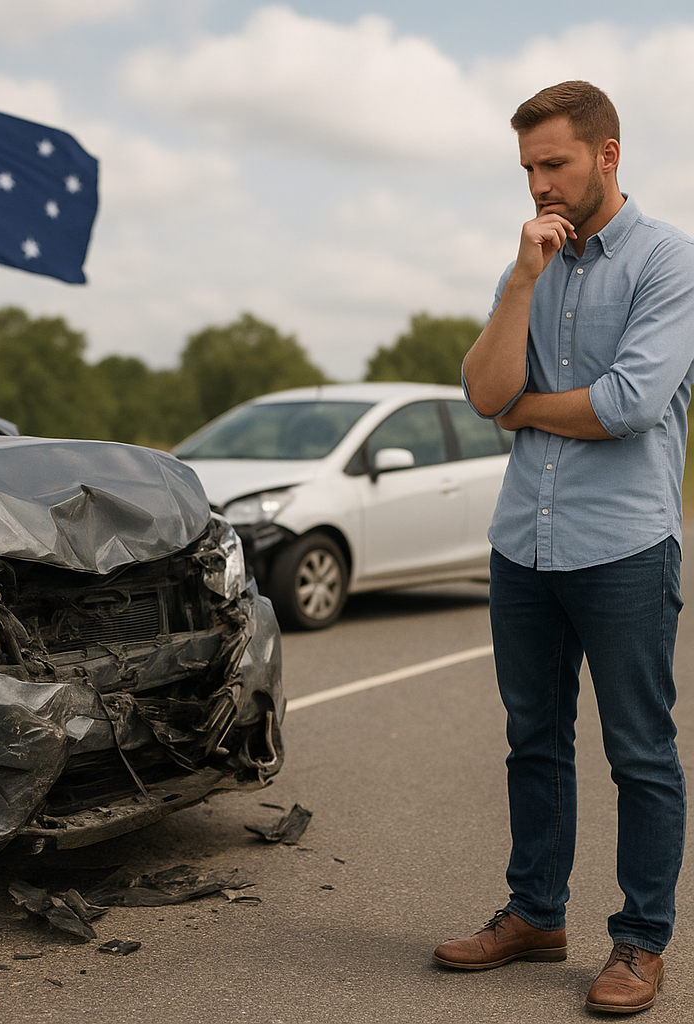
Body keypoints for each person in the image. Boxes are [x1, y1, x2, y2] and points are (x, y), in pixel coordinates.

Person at [433, 80, 694, 1014]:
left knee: (640, 751)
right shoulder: (530, 263)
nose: (540, 184)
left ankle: (639, 942)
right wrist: (520, 282)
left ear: (608, 155)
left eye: (556, 164)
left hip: (623, 546)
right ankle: (536, 914)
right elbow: (481, 389)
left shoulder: (670, 260)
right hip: (524, 547)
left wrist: (520, 411)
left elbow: (628, 405)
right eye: (528, 169)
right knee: (533, 740)